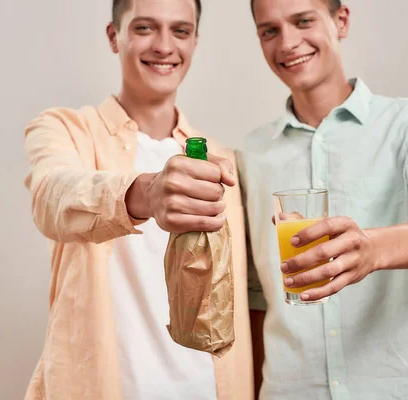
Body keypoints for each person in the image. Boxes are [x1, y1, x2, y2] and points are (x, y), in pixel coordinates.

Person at [239, 0, 408, 399]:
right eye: (270, 31)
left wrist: (371, 248)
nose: (287, 43)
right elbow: (256, 296)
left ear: (341, 20)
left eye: (303, 21)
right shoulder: (251, 154)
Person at [22, 0, 253, 398]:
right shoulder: (67, 129)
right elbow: (52, 196)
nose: (164, 46)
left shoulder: (224, 159)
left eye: (180, 31)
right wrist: (143, 194)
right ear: (115, 37)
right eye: (145, 28)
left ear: (195, 42)